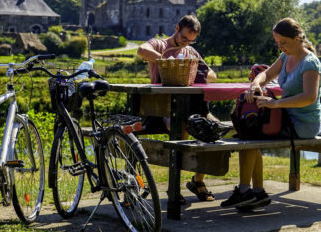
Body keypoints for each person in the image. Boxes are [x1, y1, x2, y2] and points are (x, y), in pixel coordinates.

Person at [221, 17, 321, 210]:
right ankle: (255, 192)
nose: (280, 47)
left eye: (283, 42)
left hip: (303, 123)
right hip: (285, 116)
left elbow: (309, 97)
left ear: (298, 37)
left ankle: (247, 192)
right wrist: (255, 84)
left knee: (250, 134)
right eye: (277, 43)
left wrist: (276, 105)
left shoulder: (310, 63)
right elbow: (266, 74)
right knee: (249, 129)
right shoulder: (285, 57)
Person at [137, 15, 223, 203]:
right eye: (184, 38)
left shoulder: (191, 51)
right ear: (176, 28)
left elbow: (213, 76)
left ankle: (197, 181)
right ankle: (173, 187)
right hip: (164, 109)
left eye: (191, 41)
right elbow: (141, 50)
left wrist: (194, 72)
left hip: (192, 107)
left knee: (215, 128)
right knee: (182, 127)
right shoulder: (160, 44)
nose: (186, 43)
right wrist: (165, 61)